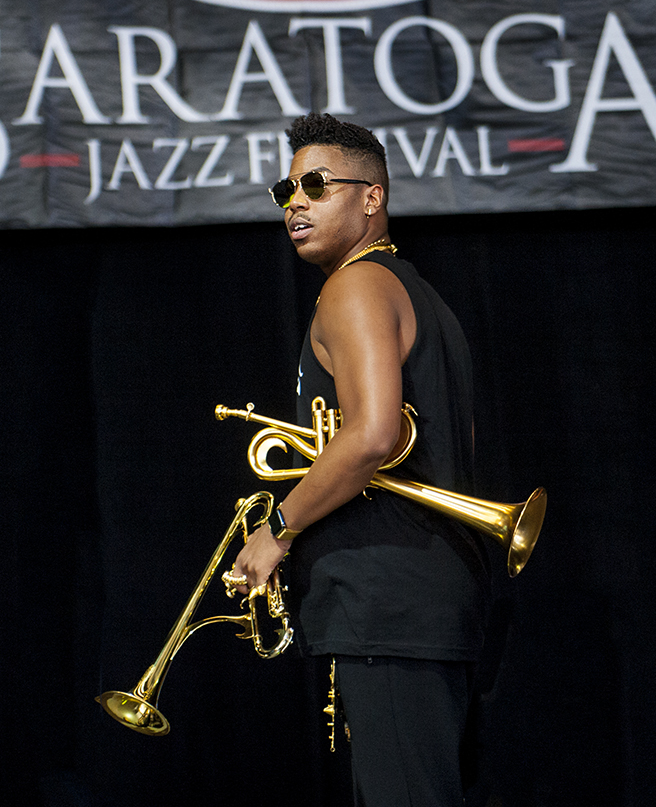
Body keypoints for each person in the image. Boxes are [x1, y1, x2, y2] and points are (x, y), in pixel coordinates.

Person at [229, 112, 492, 806]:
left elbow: (374, 435)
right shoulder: (416, 294)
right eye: (285, 189)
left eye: (315, 184)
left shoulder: (354, 288)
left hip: (389, 601)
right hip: (432, 596)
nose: (295, 202)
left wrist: (278, 529)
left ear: (372, 196)